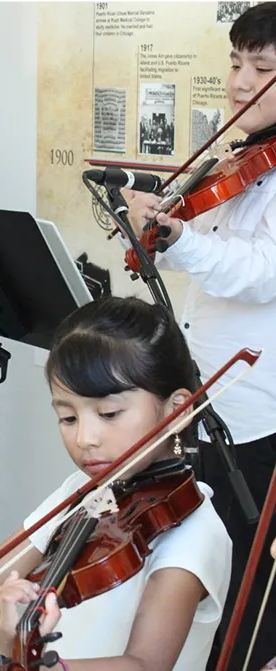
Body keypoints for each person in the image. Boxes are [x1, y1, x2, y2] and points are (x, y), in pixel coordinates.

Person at [0, 297, 233, 670]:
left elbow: (145, 663)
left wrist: (38, 665)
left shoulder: (193, 534)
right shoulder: (83, 490)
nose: (85, 438)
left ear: (179, 409)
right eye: (68, 417)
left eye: (109, 413)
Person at [125, 4, 276, 668]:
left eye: (263, 68)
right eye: (236, 62)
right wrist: (164, 227)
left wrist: (179, 240)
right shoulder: (241, 158)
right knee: (203, 567)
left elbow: (259, 273)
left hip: (253, 412)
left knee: (250, 589)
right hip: (200, 397)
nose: (242, 81)